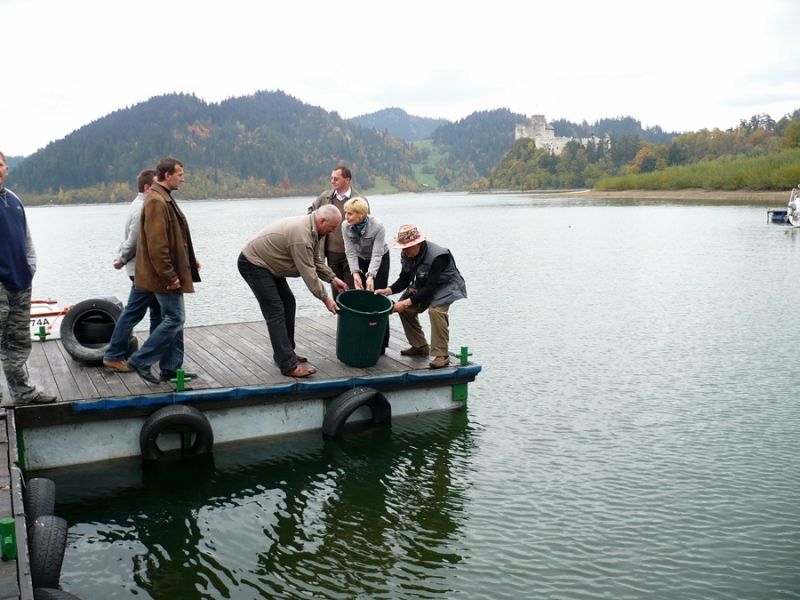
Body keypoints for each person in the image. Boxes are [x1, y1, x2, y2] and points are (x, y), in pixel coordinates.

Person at [238, 204, 348, 377]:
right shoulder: (301, 236)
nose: (333, 231)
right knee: (275, 311)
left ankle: (285, 352)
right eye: (332, 227)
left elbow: (315, 260)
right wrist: (326, 298)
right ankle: (288, 365)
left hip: (270, 265)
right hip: (254, 264)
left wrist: (332, 278)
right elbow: (308, 272)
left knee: (288, 303)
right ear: (321, 221)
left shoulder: (314, 230)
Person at [124, 158, 201, 385]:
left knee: (173, 319)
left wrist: (190, 260)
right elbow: (157, 245)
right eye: (180, 174)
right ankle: (141, 360)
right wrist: (170, 276)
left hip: (168, 272)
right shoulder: (156, 201)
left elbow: (174, 236)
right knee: (175, 318)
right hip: (163, 276)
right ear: (167, 175)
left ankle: (170, 368)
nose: (183, 179)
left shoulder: (163, 197)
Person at [0, 151, 56, 404]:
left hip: (21, 282)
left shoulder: (13, 199)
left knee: (18, 341)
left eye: (0, 165)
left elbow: (26, 237)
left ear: (6, 169)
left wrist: (30, 267)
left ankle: (22, 392)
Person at [375, 224, 467, 369]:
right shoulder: (407, 254)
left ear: (418, 243)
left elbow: (430, 288)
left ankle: (442, 355)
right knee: (405, 309)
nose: (404, 251)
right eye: (402, 247)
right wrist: (388, 290)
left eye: (406, 247)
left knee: (436, 311)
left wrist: (406, 302)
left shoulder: (438, 256)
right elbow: (404, 279)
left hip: (446, 286)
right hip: (424, 285)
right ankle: (420, 346)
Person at [102, 169, 163, 372]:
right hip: (141, 269)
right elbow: (134, 239)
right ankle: (113, 355)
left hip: (142, 268)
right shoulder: (142, 208)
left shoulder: (139, 204)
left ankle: (154, 352)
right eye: (157, 185)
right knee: (133, 313)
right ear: (147, 187)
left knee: (157, 311)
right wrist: (121, 259)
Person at [308, 165, 367, 300]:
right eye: (332, 178)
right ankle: (339, 313)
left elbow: (366, 226)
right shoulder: (325, 197)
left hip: (353, 254)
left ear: (347, 180)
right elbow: (311, 213)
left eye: (336, 179)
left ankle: (352, 314)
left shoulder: (359, 199)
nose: (332, 181)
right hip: (331, 253)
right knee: (337, 290)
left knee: (352, 292)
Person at [341, 196, 390, 352]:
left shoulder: (378, 226)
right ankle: (363, 337)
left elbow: (377, 254)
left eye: (350, 214)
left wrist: (371, 275)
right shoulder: (345, 226)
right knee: (360, 296)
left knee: (377, 297)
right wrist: (355, 273)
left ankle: (381, 343)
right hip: (360, 258)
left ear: (361, 214)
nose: (346, 217)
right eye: (345, 213)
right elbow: (350, 252)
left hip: (380, 259)